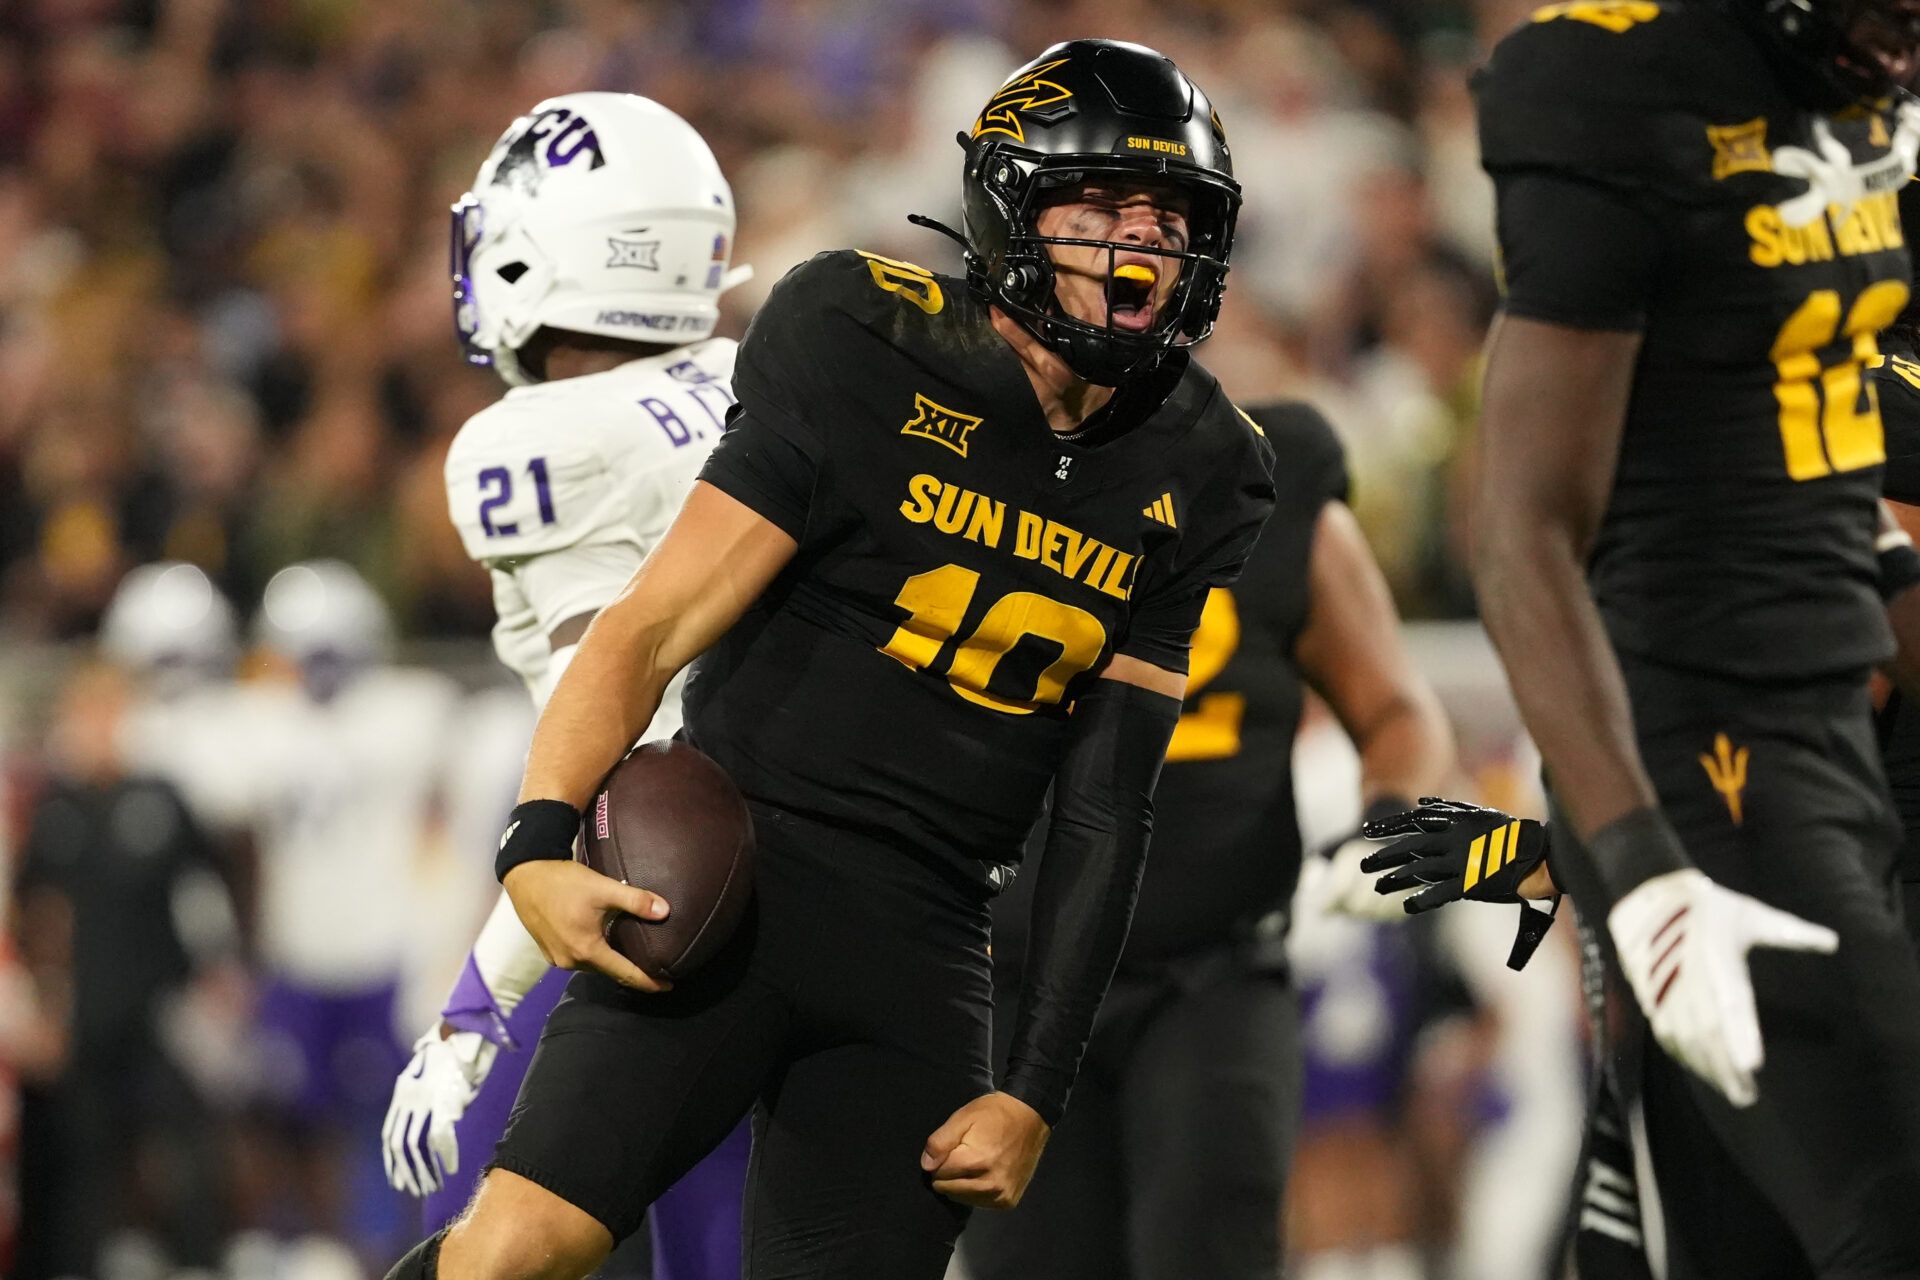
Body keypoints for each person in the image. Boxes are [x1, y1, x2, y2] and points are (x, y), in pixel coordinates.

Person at [384, 37, 1275, 1280]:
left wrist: (1034, 1086)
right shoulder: (867, 340)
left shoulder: (1205, 464)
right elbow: (649, 624)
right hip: (733, 877)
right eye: (1103, 207)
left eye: (1170, 214)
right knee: (516, 1251)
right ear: (1015, 208)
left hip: (925, 949)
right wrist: (537, 841)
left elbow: (1106, 807)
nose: (1143, 244)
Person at [1461, 0, 1920, 1274]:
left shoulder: (1852, 97)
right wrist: (1645, 865)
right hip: (1707, 751)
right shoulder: (1626, 84)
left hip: (1826, 724)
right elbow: (1518, 530)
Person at [379, 92, 755, 1280]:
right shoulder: (763, 376)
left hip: (701, 908)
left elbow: (617, 770)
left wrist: (470, 1012)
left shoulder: (537, 440)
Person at [957, 399, 1454, 1280]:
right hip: (1011, 981)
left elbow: (1394, 709)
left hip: (1208, 976)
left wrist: (1387, 822)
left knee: (1209, 1250)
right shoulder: (965, 466)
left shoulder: (1261, 471)